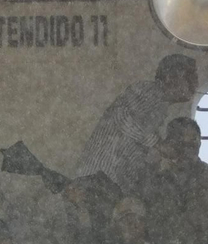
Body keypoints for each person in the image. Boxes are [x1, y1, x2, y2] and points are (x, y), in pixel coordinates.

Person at [76, 54, 197, 193]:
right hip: (97, 175)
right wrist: (157, 144)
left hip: (106, 182)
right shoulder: (151, 91)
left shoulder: (160, 105)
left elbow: (137, 143)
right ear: (170, 78)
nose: (195, 84)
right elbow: (121, 116)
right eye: (189, 76)